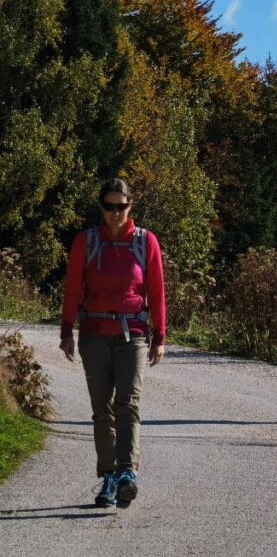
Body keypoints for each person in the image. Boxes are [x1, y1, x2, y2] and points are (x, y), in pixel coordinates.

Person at [59, 179, 166, 508]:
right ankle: (108, 478)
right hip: (94, 332)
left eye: (122, 206)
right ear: (101, 207)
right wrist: (66, 330)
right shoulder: (85, 241)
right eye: (109, 206)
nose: (116, 212)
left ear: (131, 205)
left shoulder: (145, 241)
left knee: (128, 406)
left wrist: (159, 336)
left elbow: (157, 290)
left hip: (132, 333)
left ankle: (127, 474)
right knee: (102, 410)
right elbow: (73, 287)